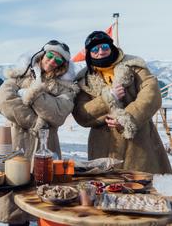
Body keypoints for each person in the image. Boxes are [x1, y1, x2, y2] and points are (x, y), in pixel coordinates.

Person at [0, 40, 79, 225]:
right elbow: (4, 102)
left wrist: (32, 93)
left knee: (46, 201)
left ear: (63, 65)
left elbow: (57, 115)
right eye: (50, 55)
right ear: (42, 55)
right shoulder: (19, 75)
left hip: (46, 145)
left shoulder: (67, 87)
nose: (52, 61)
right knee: (14, 199)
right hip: (15, 143)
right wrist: (36, 121)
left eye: (58, 60)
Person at [73, 31, 172, 174]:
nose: (101, 52)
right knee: (106, 189)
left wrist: (126, 118)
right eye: (95, 49)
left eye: (105, 47)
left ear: (111, 47)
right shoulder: (84, 80)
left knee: (142, 187)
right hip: (103, 147)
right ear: (89, 54)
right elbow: (81, 113)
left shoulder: (134, 66)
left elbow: (152, 95)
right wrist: (108, 98)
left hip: (139, 143)